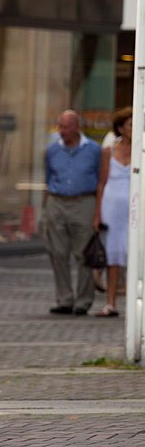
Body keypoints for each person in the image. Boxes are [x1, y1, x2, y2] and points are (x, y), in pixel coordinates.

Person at [45, 110, 101, 316]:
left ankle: (84, 301)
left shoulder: (94, 150)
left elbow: (101, 179)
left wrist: (97, 212)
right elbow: (48, 177)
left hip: (84, 201)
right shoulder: (52, 151)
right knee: (57, 253)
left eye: (66, 127)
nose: (62, 131)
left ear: (77, 127)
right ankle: (64, 299)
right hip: (57, 202)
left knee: (84, 253)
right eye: (60, 126)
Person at [93, 107, 132, 318]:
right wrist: (97, 214)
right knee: (113, 255)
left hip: (134, 208)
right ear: (120, 128)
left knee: (135, 252)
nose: (133, 129)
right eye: (129, 125)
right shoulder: (109, 151)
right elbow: (101, 182)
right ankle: (110, 303)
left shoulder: (141, 150)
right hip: (112, 206)